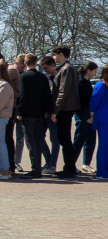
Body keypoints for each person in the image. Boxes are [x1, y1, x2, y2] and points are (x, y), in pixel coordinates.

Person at [17, 53, 53, 179]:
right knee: (38, 140)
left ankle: (35, 169)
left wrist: (20, 112)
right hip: (40, 114)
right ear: (36, 62)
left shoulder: (24, 76)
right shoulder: (43, 77)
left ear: (25, 63)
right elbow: (47, 96)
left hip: (28, 114)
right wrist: (46, 110)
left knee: (30, 142)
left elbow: (23, 96)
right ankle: (38, 167)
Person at [0, 50, 20, 174]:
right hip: (4, 108)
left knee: (5, 139)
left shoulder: (9, 69)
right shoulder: (6, 68)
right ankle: (2, 164)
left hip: (7, 109)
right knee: (1, 139)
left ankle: (8, 166)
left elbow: (4, 88)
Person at [50, 45, 80, 178]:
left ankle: (69, 169)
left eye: (55, 55)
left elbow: (63, 91)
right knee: (64, 138)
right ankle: (69, 167)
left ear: (61, 54)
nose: (54, 57)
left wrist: (55, 110)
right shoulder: (67, 68)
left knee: (64, 139)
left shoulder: (66, 69)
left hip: (65, 108)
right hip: (66, 107)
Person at [72, 62, 98, 170]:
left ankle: (86, 163)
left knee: (91, 139)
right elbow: (81, 100)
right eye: (94, 72)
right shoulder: (80, 82)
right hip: (83, 112)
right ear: (88, 71)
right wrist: (86, 115)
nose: (95, 74)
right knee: (80, 139)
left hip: (89, 113)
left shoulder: (87, 82)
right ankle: (70, 163)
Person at [40, 56, 61, 173]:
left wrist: (55, 112)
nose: (45, 70)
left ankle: (52, 164)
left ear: (53, 65)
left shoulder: (60, 77)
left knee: (54, 139)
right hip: (44, 113)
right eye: (43, 68)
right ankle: (48, 161)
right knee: (39, 137)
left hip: (54, 114)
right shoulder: (45, 78)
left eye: (46, 68)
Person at [90, 65, 108, 179]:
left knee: (104, 146)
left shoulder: (101, 85)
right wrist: (91, 116)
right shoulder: (101, 85)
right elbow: (94, 101)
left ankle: (103, 171)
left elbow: (94, 101)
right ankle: (102, 172)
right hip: (103, 120)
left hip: (104, 118)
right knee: (103, 146)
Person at [14, 54, 28, 171]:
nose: (23, 68)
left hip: (20, 110)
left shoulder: (25, 76)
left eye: (25, 66)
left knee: (20, 137)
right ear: (16, 63)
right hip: (10, 109)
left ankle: (16, 161)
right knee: (6, 137)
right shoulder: (10, 74)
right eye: (21, 66)